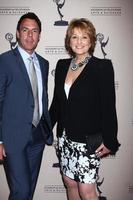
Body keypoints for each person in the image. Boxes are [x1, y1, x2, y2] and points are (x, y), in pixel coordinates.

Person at [49, 18, 120, 200]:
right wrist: (45, 127)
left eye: (84, 37)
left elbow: (108, 107)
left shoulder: (102, 67)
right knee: (69, 183)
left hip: (87, 142)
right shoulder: (62, 65)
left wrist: (110, 141)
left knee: (86, 192)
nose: (79, 42)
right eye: (74, 37)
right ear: (69, 41)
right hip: (65, 139)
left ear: (91, 41)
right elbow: (58, 103)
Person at [0, 12, 53, 200]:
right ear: (17, 33)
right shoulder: (4, 61)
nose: (30, 35)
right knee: (21, 192)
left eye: (34, 31)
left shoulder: (44, 64)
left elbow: (41, 99)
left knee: (28, 192)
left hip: (38, 136)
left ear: (39, 35)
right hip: (12, 138)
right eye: (25, 30)